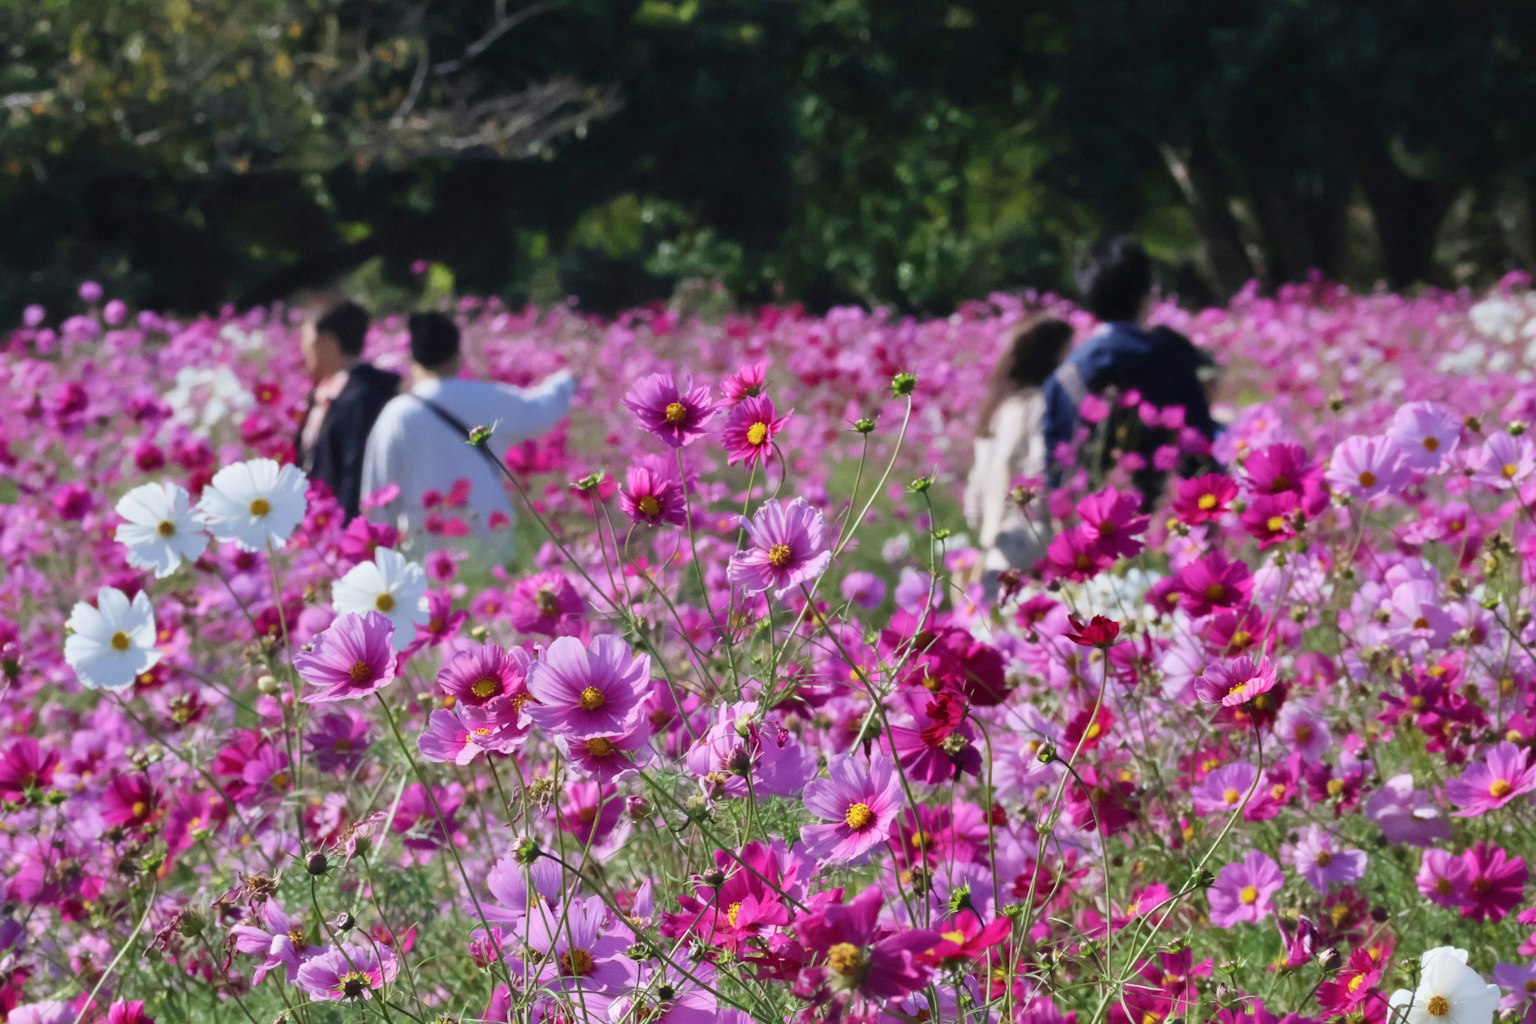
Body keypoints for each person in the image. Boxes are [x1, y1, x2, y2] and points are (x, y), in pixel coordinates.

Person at [362, 312, 575, 555]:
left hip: (424, 546)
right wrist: (566, 382)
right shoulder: (485, 396)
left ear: (412, 360)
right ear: (458, 355)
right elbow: (538, 410)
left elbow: (377, 497)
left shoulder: (396, 414)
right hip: (489, 536)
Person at [1042, 236, 1219, 505]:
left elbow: (1056, 476)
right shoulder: (1171, 357)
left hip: (1097, 529)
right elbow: (1199, 444)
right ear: (1147, 292)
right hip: (1170, 522)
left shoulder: (1064, 377)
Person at [964, 317, 1073, 594]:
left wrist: (989, 531)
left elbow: (975, 495)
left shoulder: (998, 410)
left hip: (995, 554)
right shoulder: (1041, 406)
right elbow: (1041, 474)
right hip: (1033, 557)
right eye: (1068, 352)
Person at [296, 299, 402, 521]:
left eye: (306, 339)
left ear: (327, 342)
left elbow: (355, 473)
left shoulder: (362, 397)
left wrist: (344, 530)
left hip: (344, 523)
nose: (303, 347)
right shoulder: (326, 391)